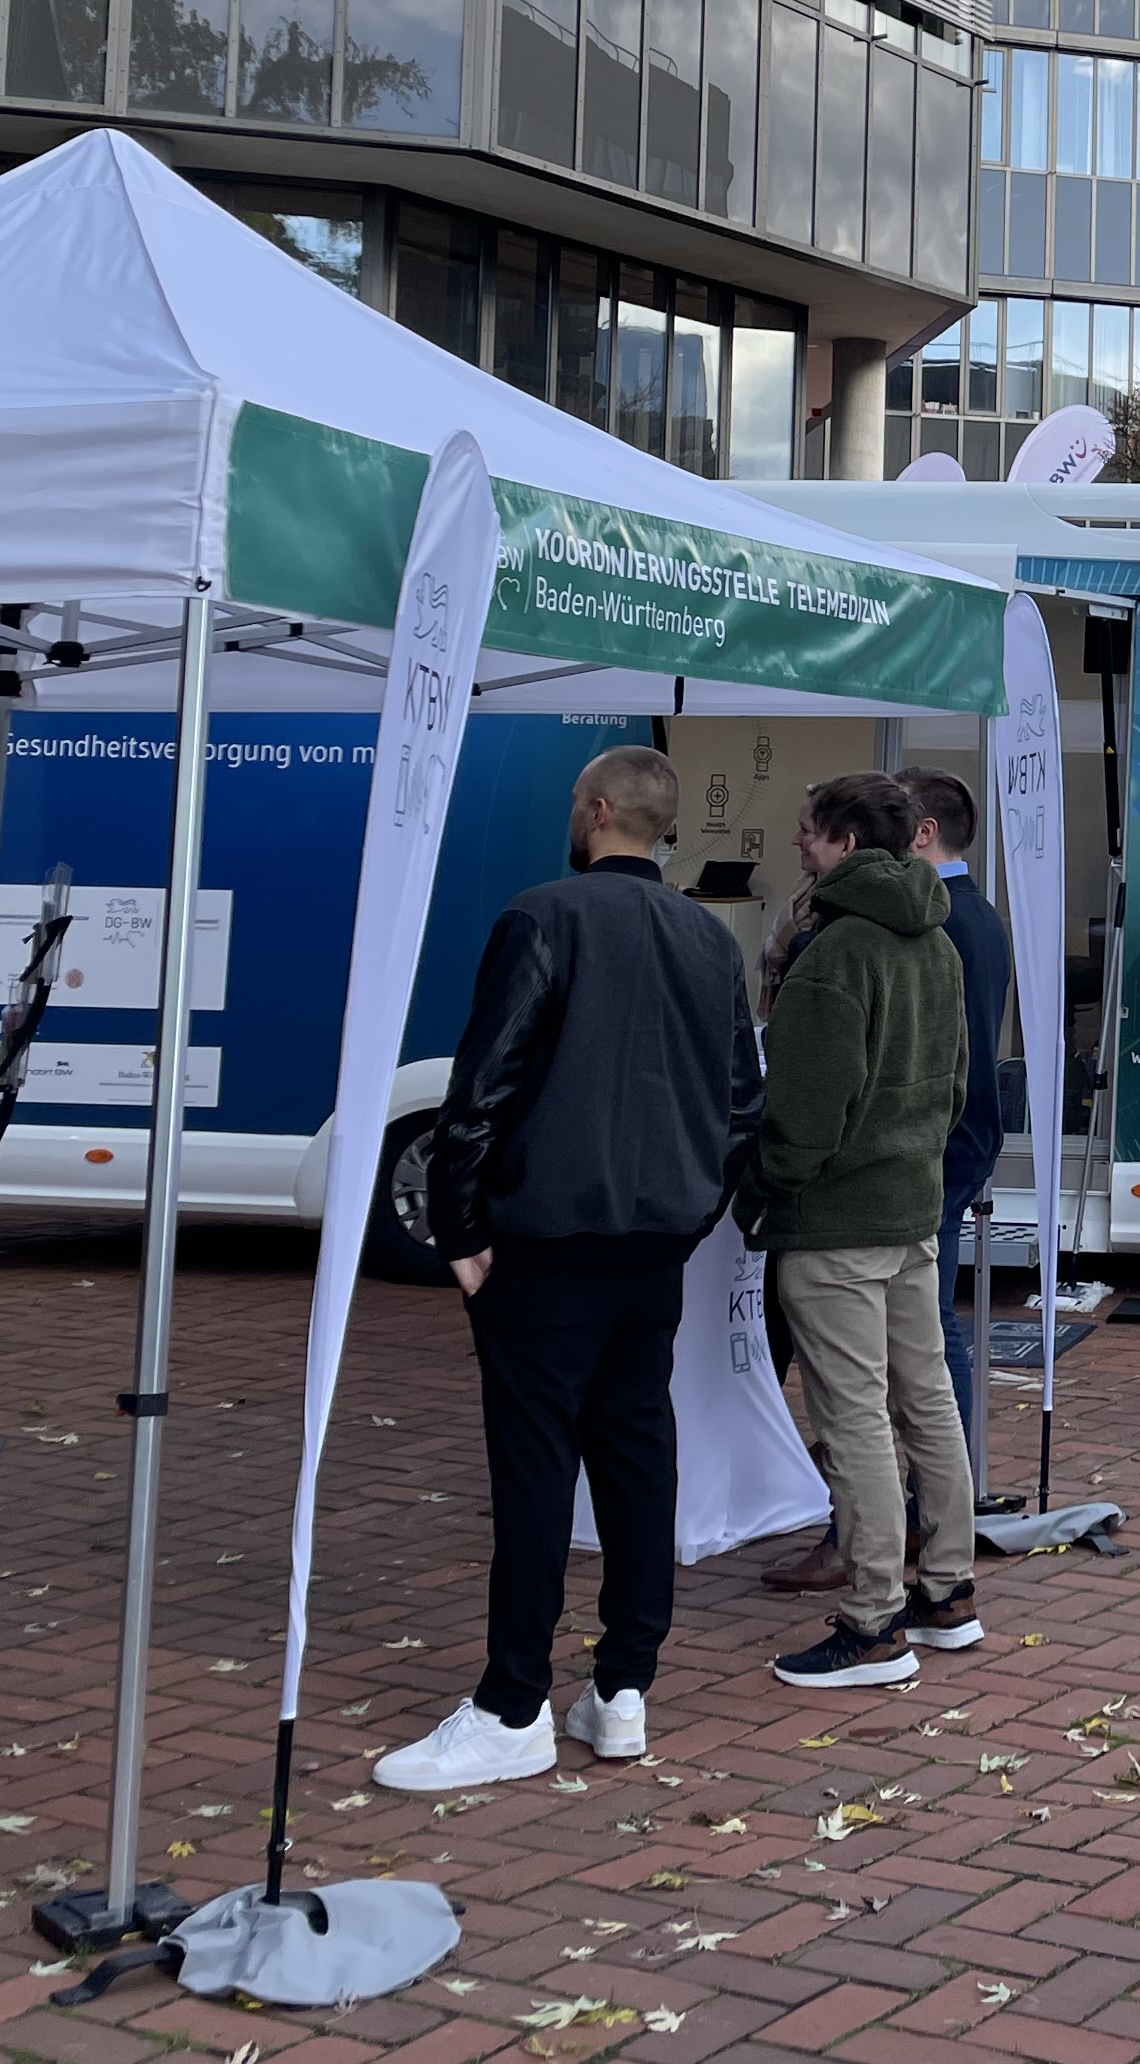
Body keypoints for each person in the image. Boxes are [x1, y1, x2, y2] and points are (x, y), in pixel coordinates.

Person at [378, 745, 756, 1791]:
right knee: (636, 1451)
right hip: (651, 1244)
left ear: (593, 809)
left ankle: (512, 1704)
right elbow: (741, 1106)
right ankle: (623, 1687)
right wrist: (688, 1213)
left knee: (536, 1462)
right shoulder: (707, 941)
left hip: (544, 1243)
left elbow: (482, 1084)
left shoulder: (541, 918)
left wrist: (455, 1230)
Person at [744, 771, 978, 1689]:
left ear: (845, 838)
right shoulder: (940, 943)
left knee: (856, 1421)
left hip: (836, 1221)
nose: (798, 845)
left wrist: (763, 1188)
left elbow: (803, 1113)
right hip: (911, 1209)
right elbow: (955, 1085)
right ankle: (948, 1593)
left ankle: (875, 1620)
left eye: (807, 831)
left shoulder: (834, 953)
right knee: (925, 1402)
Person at [903, 769, 1013, 1470]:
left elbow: (958, 1048)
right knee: (929, 1323)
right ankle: (946, 1492)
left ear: (923, 833)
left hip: (943, 1146)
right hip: (957, 1141)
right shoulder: (972, 911)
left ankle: (944, 1493)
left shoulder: (944, 916)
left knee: (929, 1325)